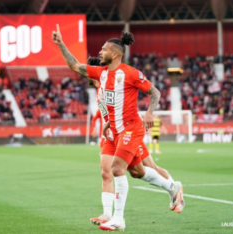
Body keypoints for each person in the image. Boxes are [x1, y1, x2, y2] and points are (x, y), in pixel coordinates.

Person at [52, 25, 184, 231]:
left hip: (132, 128)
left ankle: (118, 219)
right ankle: (173, 187)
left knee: (116, 168)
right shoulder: (101, 73)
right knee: (138, 172)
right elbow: (75, 66)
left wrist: (149, 113)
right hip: (115, 130)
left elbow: (155, 92)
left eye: (103, 49)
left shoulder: (130, 73)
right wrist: (60, 44)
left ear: (115, 54)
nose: (100, 52)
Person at [87, 57, 179, 226]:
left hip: (128, 131)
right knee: (108, 170)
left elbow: (126, 105)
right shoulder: (100, 91)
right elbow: (107, 113)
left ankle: (174, 188)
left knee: (149, 168)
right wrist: (106, 123)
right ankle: (108, 214)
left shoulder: (111, 84)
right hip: (113, 134)